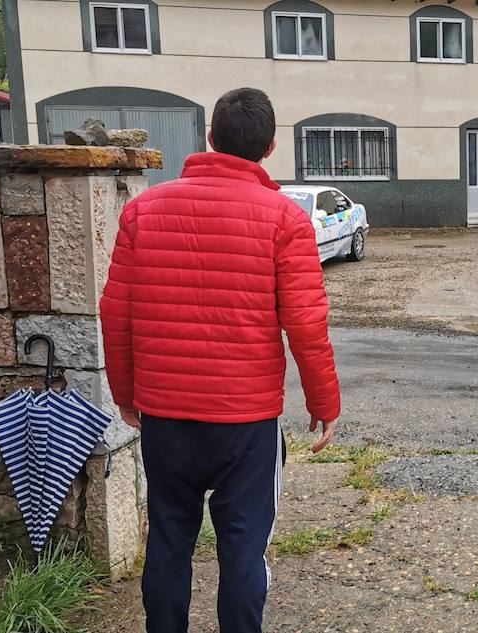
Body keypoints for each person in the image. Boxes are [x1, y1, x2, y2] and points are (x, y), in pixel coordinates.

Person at [100, 88, 342, 633]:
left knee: (167, 538)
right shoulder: (284, 218)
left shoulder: (143, 209)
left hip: (165, 414)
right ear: (271, 147)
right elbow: (306, 322)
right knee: (243, 550)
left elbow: (115, 313)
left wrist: (126, 394)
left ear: (209, 138)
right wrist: (325, 403)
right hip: (245, 422)